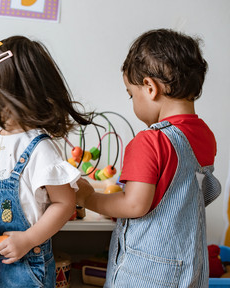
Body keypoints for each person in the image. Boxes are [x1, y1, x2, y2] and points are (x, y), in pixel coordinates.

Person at [76, 29, 221, 287]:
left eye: (131, 94)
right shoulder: (205, 136)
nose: (132, 102)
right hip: (191, 268)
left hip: (149, 273)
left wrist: (88, 198)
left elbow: (133, 205)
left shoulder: (150, 140)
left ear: (150, 88)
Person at [0, 35, 93, 287]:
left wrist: (28, 239)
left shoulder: (39, 148)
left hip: (26, 266)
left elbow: (64, 204)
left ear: (5, 90)